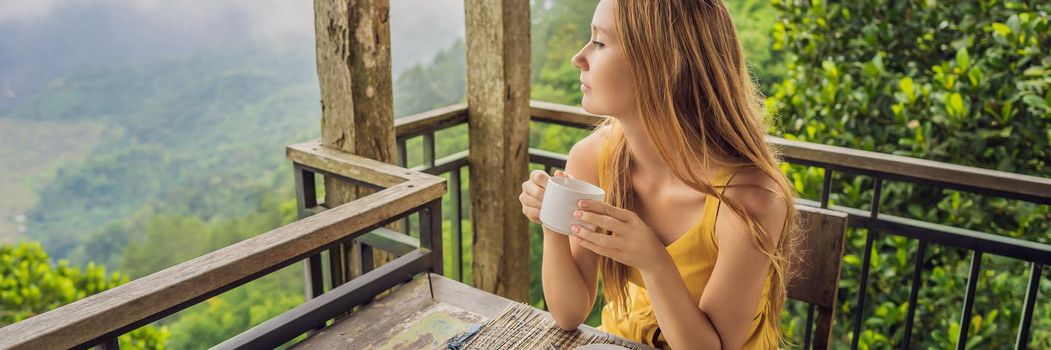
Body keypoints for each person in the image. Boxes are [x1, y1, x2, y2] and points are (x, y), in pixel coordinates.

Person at [518, 0, 800, 349]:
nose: (579, 57)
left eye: (600, 42)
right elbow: (568, 313)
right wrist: (554, 222)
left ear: (663, 66)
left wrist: (653, 261)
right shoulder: (592, 159)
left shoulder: (749, 199)